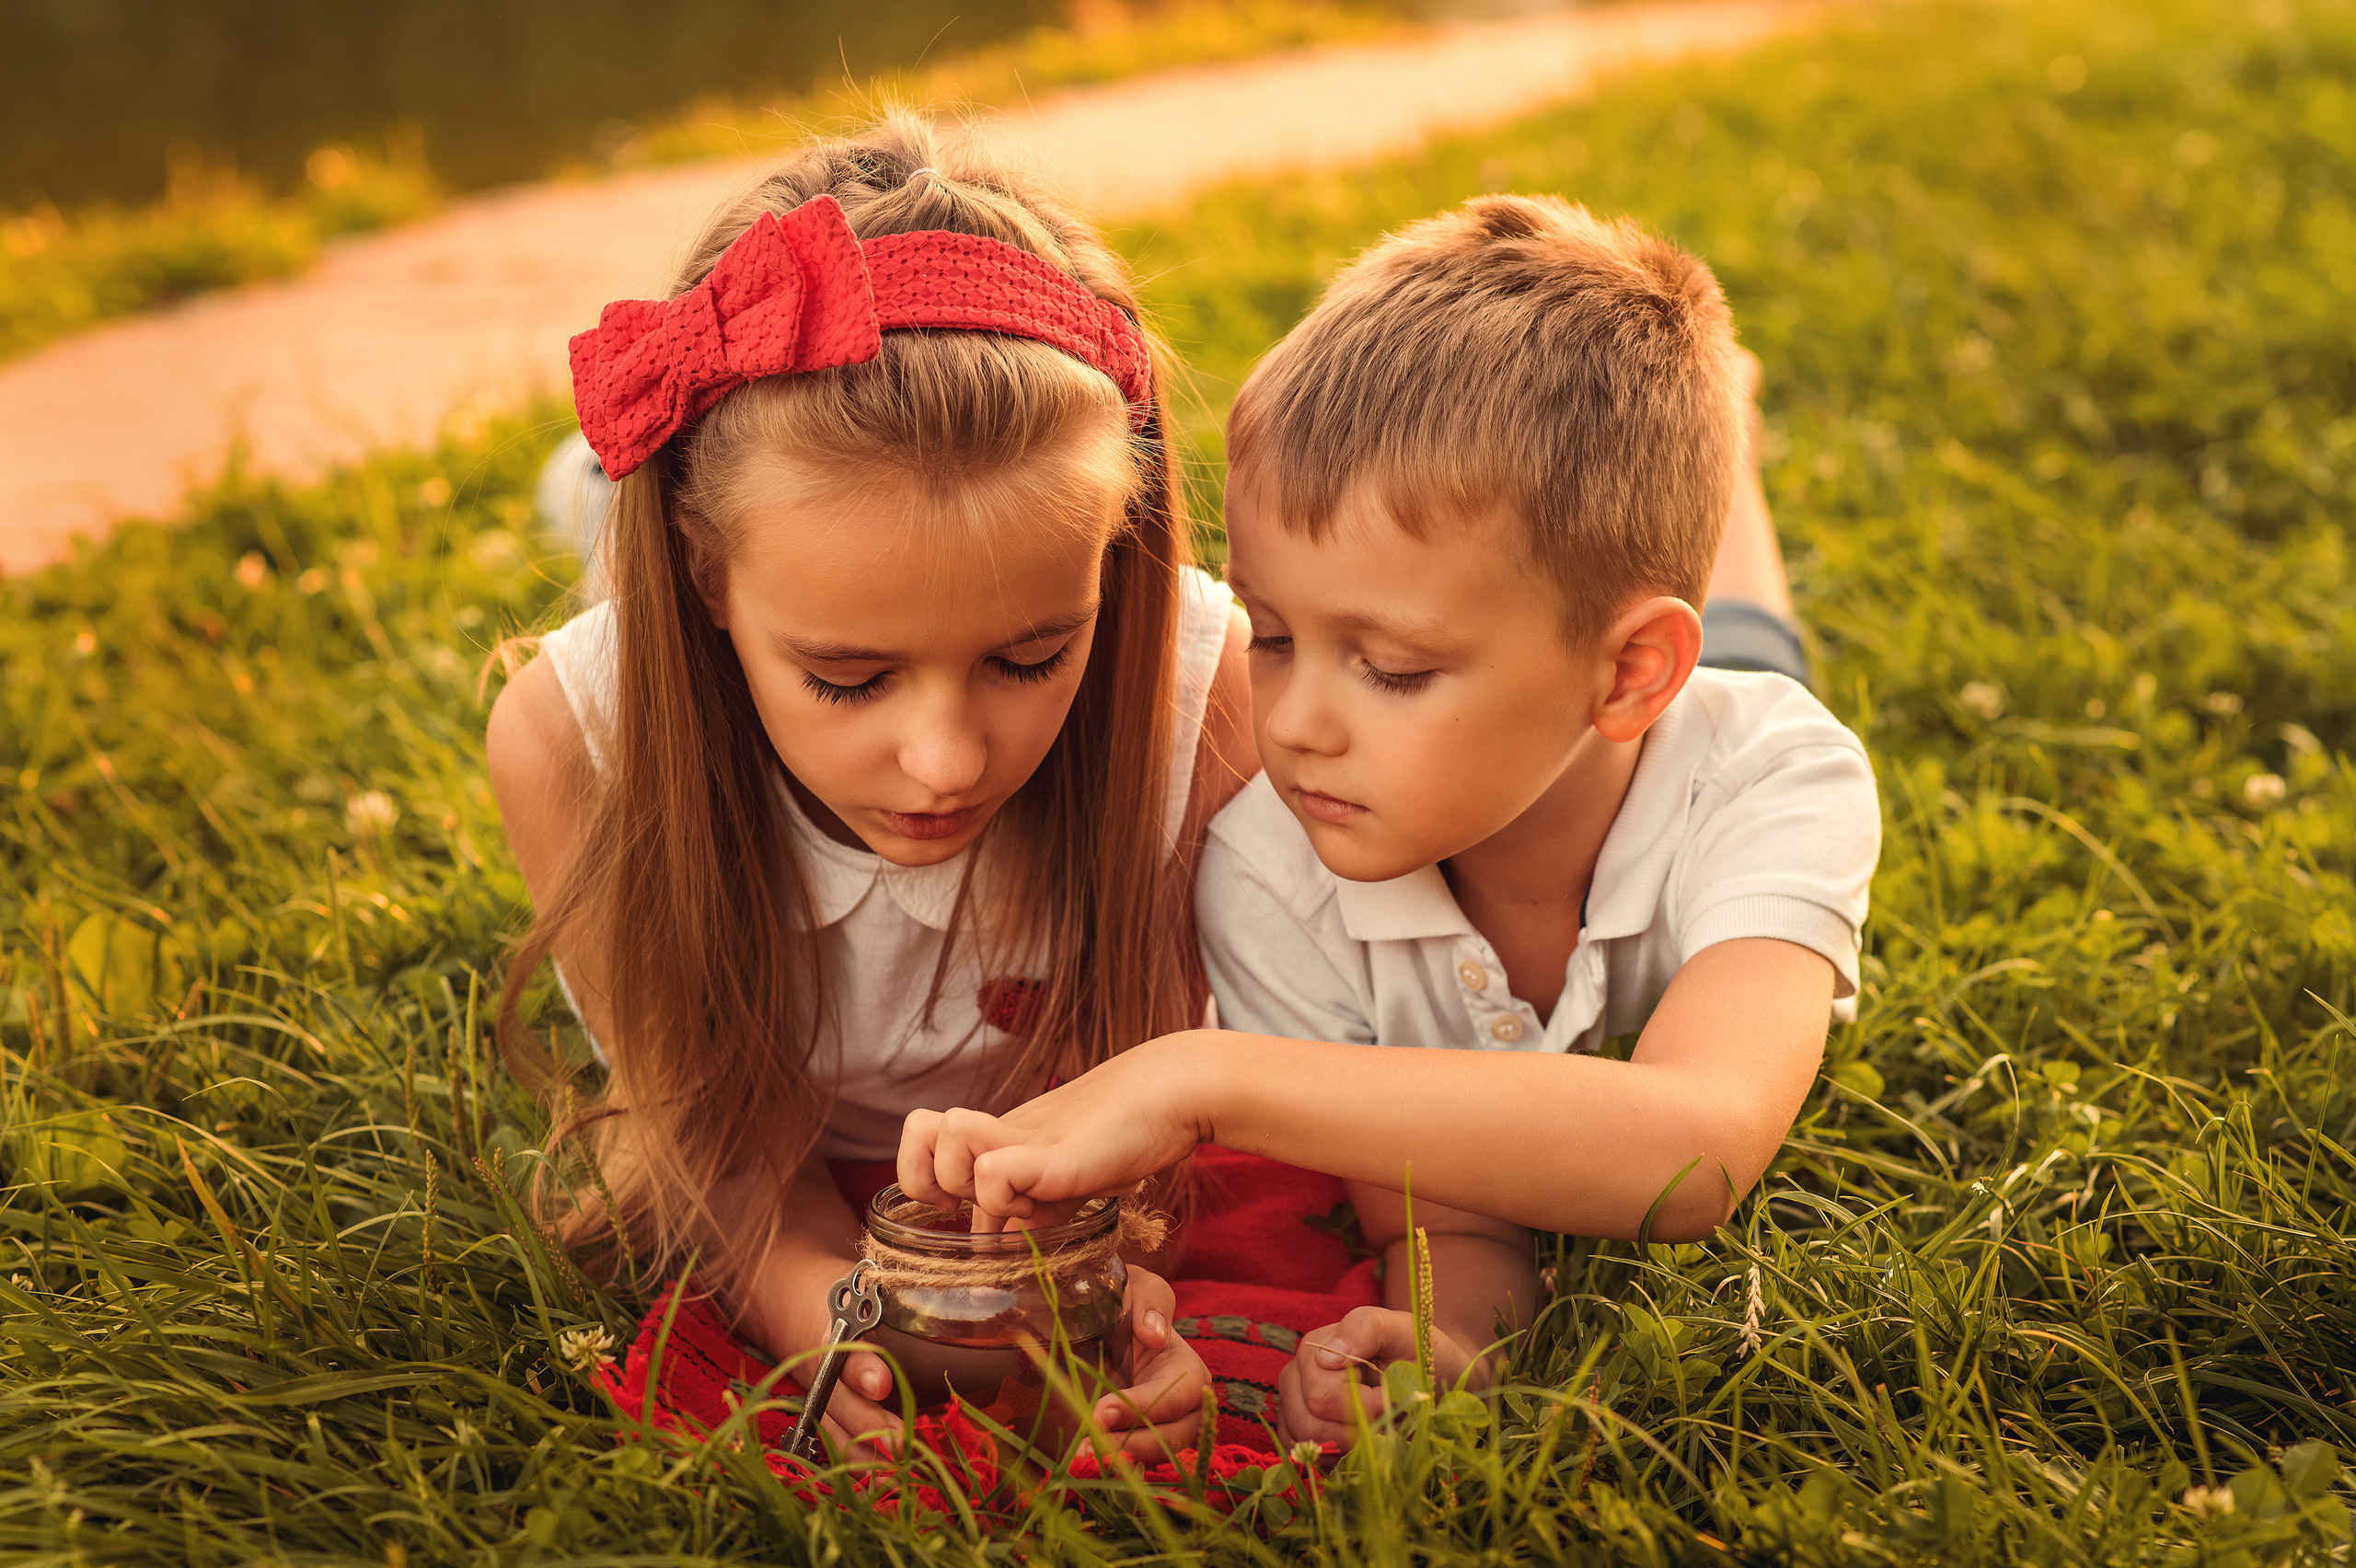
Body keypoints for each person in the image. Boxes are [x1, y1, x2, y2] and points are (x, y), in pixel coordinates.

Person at [895, 195, 1881, 1449]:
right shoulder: (1270, 868)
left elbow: (1701, 1146)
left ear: (1629, 674)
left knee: (1753, 634)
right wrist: (1452, 1338)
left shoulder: (1774, 783)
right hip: (1617, 690)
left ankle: (1726, 448)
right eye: (1281, 637)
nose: (1297, 725)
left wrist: (1206, 1079)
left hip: (1707, 701)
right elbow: (1447, 1217)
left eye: (1396, 671)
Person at [485, 115, 1258, 1460]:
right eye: (849, 679)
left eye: (1032, 654)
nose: (947, 762)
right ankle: (588, 496)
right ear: (707, 577)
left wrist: (1111, 1293)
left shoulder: (1196, 692)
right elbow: (693, 1143)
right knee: (602, 518)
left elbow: (1138, 1117)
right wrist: (818, 1301)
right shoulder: (572, 742)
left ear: (1113, 560)